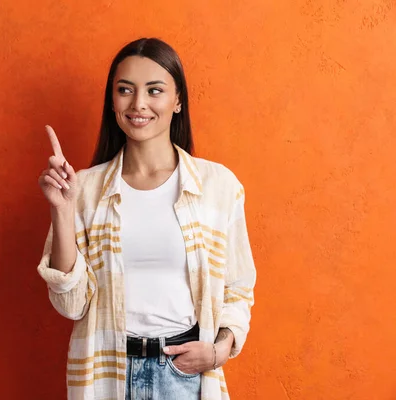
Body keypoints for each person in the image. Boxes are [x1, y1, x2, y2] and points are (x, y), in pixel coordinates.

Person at [37, 38, 256, 400]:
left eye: (155, 90)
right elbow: (71, 304)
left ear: (178, 100)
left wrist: (217, 352)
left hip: (184, 376)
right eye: (125, 90)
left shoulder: (218, 186)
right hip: (107, 373)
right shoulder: (86, 189)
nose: (138, 104)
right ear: (112, 100)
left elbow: (238, 288)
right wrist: (62, 210)